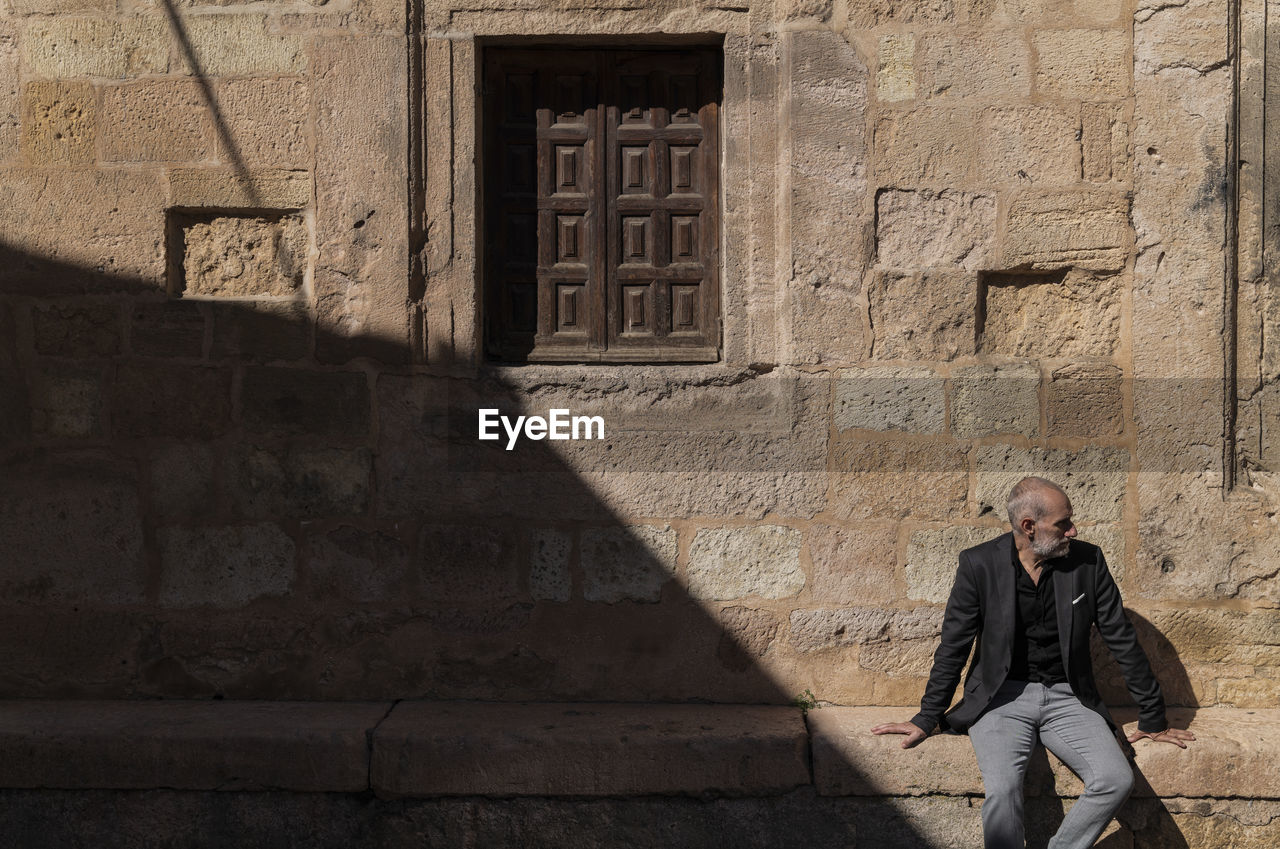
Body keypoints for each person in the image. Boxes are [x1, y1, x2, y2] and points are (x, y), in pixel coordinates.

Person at [871, 476, 1194, 849]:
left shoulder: (1088, 562)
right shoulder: (979, 565)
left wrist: (1153, 717)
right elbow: (953, 646)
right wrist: (927, 717)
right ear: (1029, 527)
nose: (1073, 529)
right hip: (1000, 699)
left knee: (1115, 779)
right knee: (1004, 788)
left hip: (1069, 697)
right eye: (1063, 523)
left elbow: (1121, 638)